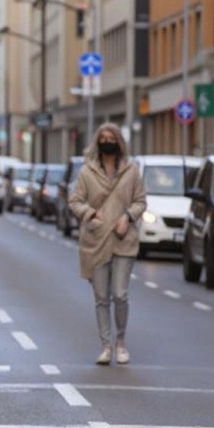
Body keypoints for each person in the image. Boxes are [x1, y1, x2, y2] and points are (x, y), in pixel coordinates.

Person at [69, 123, 147, 365]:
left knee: (120, 294)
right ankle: (106, 346)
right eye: (102, 137)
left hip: (124, 239)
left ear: (119, 142)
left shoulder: (132, 171)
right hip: (96, 240)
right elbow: (75, 201)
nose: (107, 141)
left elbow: (141, 201)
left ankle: (121, 342)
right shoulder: (86, 172)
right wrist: (90, 213)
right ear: (97, 142)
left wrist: (127, 216)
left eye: (111, 137)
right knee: (101, 297)